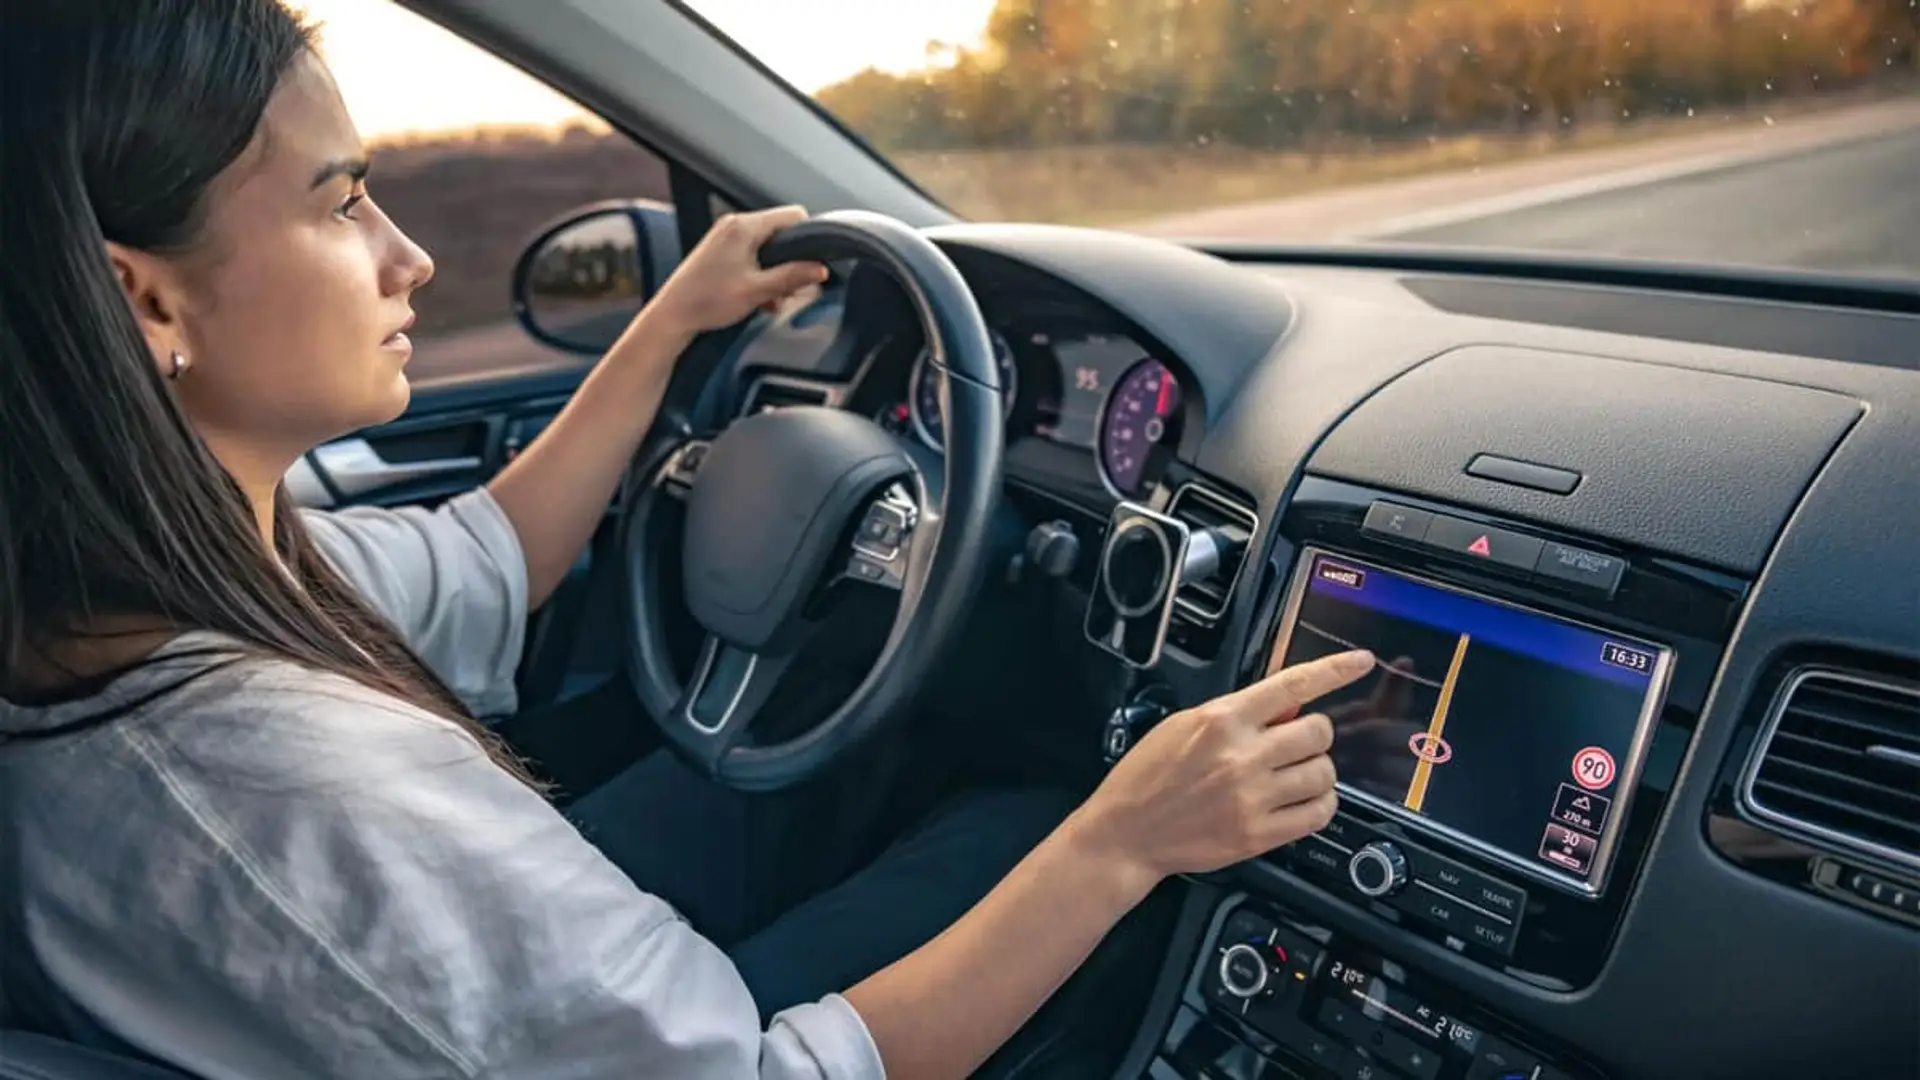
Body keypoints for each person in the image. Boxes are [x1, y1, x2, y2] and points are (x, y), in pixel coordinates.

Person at [0, 3, 1375, 1078]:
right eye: (343, 199)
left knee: (796, 783)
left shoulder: (160, 587)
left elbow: (487, 561)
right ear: (144, 303)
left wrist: (670, 325)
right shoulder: (288, 792)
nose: (408, 257)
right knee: (1028, 820)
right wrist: (1123, 841)